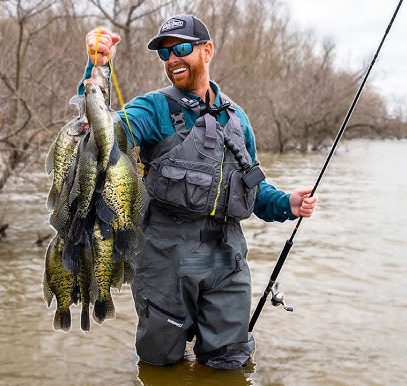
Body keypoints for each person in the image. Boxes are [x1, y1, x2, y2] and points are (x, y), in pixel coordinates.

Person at [80, 14, 317, 370]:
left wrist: (287, 203)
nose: (173, 58)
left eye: (183, 49)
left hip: (226, 261)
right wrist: (94, 69)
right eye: (165, 54)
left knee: (231, 363)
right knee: (161, 363)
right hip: (164, 261)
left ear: (207, 51)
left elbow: (251, 189)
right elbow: (102, 132)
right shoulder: (151, 108)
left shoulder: (238, 118)